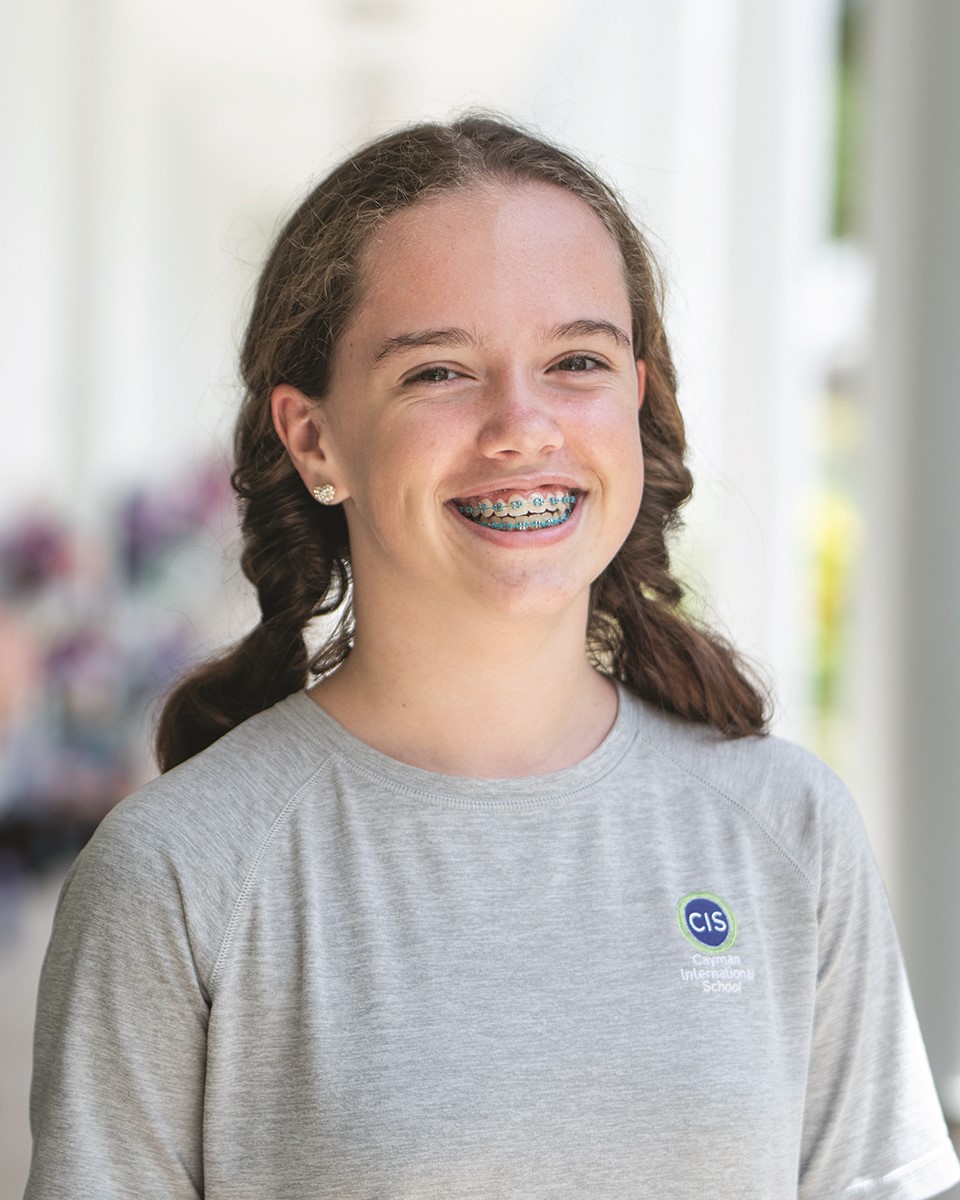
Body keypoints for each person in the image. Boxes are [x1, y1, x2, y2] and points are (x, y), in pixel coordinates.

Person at [25, 116, 960, 1199]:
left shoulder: (789, 829)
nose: (522, 427)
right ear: (314, 439)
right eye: (439, 372)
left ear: (636, 398)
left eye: (576, 362)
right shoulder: (177, 874)